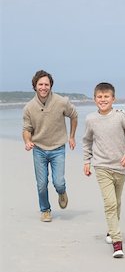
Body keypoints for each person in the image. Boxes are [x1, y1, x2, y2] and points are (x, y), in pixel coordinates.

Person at [83, 82, 125, 259]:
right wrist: (86, 161)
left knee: (116, 201)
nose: (103, 100)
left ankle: (110, 229)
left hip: (121, 166)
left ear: (113, 98)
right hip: (101, 166)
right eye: (99, 97)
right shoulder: (91, 119)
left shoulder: (121, 116)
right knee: (110, 203)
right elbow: (87, 141)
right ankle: (117, 241)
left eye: (106, 97)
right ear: (94, 99)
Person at [23, 70, 78, 222]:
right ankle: (45, 210)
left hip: (58, 148)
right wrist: (27, 141)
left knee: (58, 182)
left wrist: (72, 136)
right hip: (39, 149)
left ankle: (62, 192)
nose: (43, 87)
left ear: (51, 86)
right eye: (40, 84)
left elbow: (74, 115)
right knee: (41, 184)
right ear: (35, 86)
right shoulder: (29, 107)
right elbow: (26, 129)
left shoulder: (61, 102)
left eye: (46, 84)